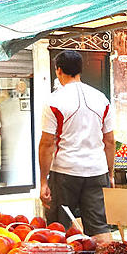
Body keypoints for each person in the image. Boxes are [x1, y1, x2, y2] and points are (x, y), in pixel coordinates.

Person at [38, 51, 115, 236]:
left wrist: (43, 181)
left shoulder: (53, 101)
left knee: (59, 229)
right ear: (81, 70)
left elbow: (47, 144)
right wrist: (110, 174)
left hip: (65, 171)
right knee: (99, 227)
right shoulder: (101, 99)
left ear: (58, 71)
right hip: (97, 170)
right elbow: (110, 141)